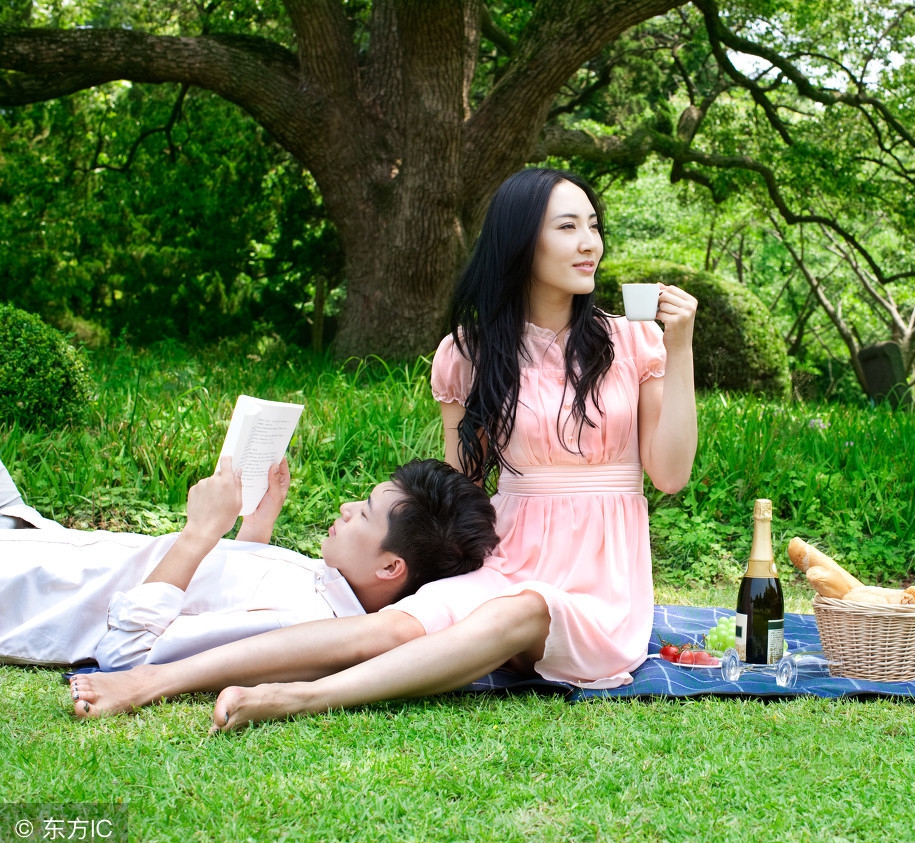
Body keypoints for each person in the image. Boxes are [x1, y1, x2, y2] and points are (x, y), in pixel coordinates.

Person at [69, 167, 698, 729]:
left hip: (599, 582)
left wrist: (681, 346)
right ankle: (155, 678)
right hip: (506, 558)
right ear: (520, 241)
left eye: (593, 226)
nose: (590, 243)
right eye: (568, 227)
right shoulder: (470, 353)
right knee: (392, 627)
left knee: (526, 611)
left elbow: (669, 474)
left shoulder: (633, 342)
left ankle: (303, 698)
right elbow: (460, 488)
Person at [1, 454, 498, 670]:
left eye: (364, 513)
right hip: (43, 538)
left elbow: (126, 653)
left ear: (390, 568)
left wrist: (200, 533)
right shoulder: (328, 584)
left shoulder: (305, 625)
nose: (347, 508)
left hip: (31, 587)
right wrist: (257, 529)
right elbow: (220, 594)